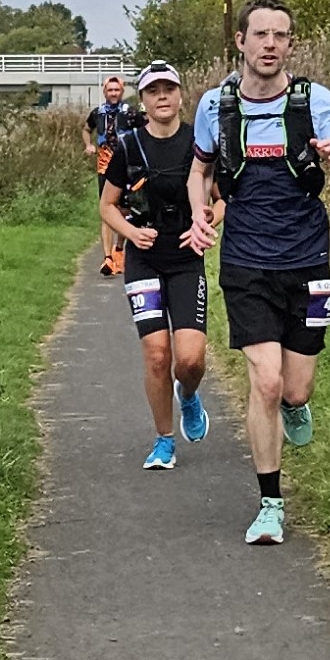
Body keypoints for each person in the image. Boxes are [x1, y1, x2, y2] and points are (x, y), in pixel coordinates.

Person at [186, 0, 330, 544]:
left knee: (293, 389)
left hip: (308, 261)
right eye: (260, 34)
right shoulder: (216, 106)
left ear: (290, 45)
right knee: (264, 383)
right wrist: (200, 212)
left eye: (281, 35)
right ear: (240, 42)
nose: (270, 44)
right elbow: (200, 170)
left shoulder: (316, 103)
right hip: (246, 262)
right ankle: (270, 504)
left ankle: (298, 404)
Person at [100, 60, 216, 470]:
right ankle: (164, 440)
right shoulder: (128, 147)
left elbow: (222, 199)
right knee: (156, 354)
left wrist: (206, 221)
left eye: (169, 89)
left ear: (181, 95)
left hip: (186, 258)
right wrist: (130, 235)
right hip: (144, 258)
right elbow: (107, 206)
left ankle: (188, 395)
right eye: (153, 91)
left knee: (189, 360)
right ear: (143, 101)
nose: (162, 97)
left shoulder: (199, 145)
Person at [83, 75, 138, 276]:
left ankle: (119, 251)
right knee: (106, 210)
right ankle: (107, 259)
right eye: (110, 90)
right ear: (104, 92)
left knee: (124, 212)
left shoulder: (131, 113)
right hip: (104, 167)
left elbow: (144, 133)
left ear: (122, 92)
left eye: (117, 90)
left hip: (126, 167)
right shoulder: (97, 113)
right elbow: (86, 129)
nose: (113, 93)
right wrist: (88, 145)